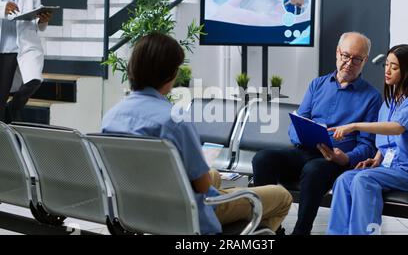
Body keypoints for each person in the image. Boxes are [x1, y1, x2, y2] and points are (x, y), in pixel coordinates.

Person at [101, 32, 293, 235]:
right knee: (282, 196)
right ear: (170, 74)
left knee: (214, 175)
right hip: (187, 213)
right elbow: (201, 186)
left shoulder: (112, 117)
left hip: (138, 209)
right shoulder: (174, 120)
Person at [252, 32, 383, 235]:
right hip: (305, 150)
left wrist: (345, 158)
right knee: (262, 158)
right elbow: (295, 125)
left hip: (336, 161)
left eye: (357, 59)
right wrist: (303, 136)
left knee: (314, 169)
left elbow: (368, 145)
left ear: (365, 61)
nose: (349, 63)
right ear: (338, 53)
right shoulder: (317, 85)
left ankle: (301, 231)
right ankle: (269, 228)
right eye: (346, 56)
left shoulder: (372, 97)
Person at [327, 44, 408, 235]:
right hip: (390, 168)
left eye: (394, 67)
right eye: (386, 65)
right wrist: (377, 159)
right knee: (344, 179)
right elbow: (387, 136)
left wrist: (355, 125)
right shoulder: (390, 100)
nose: (387, 71)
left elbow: (397, 128)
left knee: (363, 180)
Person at [0, 0, 52, 123]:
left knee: (34, 80)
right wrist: (3, 7)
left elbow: (36, 9)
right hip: (3, 46)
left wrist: (41, 20)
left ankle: (9, 113)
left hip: (25, 42)